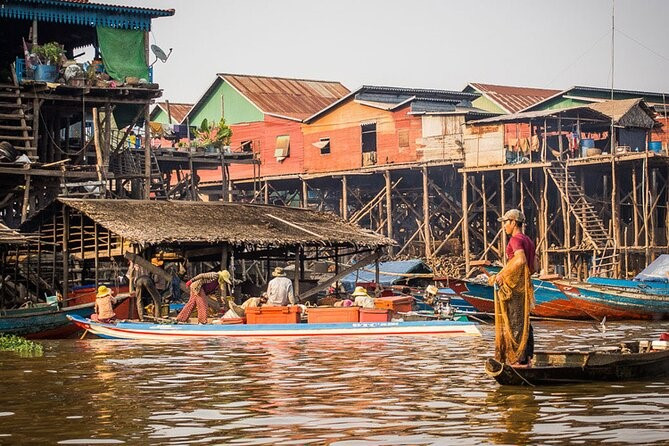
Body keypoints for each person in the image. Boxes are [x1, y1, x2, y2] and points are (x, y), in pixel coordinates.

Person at [490, 209, 537, 365]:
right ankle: (528, 358)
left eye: (505, 222)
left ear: (513, 222)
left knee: (515, 323)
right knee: (524, 323)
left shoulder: (515, 240)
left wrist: (501, 275)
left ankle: (517, 361)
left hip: (515, 289)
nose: (504, 226)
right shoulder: (528, 240)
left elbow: (521, 260)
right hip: (524, 288)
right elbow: (534, 267)